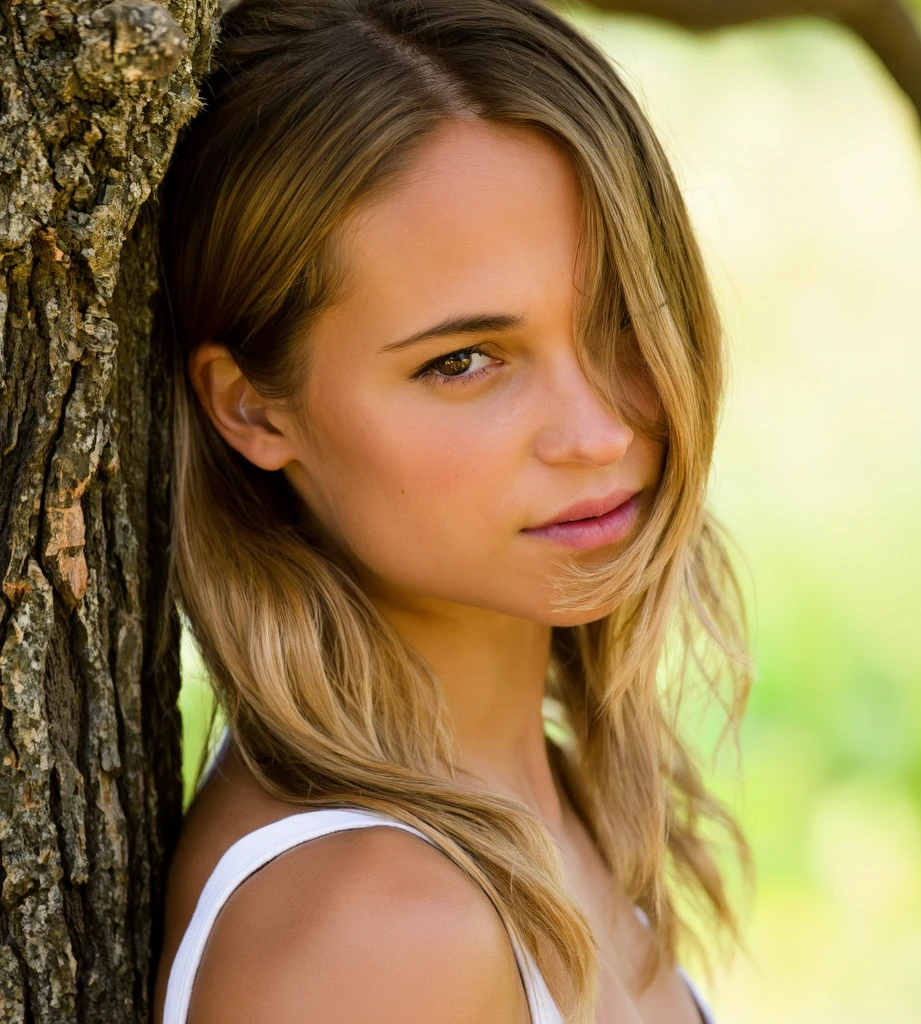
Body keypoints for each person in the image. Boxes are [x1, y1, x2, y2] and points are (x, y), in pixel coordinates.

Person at [151, 0, 755, 1020]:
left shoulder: (537, 804)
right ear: (253, 407)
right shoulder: (373, 931)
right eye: (463, 361)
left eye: (617, 314)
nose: (599, 429)